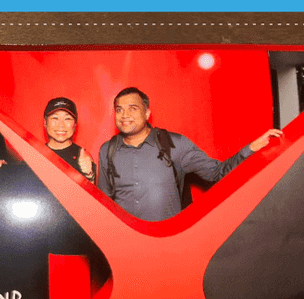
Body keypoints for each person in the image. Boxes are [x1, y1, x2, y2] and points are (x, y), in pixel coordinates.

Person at [98, 87, 283, 221]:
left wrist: (251, 149)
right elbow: (104, 202)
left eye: (133, 108)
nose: (124, 115)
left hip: (166, 244)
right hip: (125, 246)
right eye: (119, 109)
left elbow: (217, 173)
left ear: (147, 113)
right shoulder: (107, 150)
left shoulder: (174, 144)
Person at [43, 97, 95, 183]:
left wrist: (89, 175)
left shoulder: (83, 157)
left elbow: (93, 191)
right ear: (45, 122)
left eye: (67, 119)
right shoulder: (36, 154)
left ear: (75, 124)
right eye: (55, 118)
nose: (61, 125)